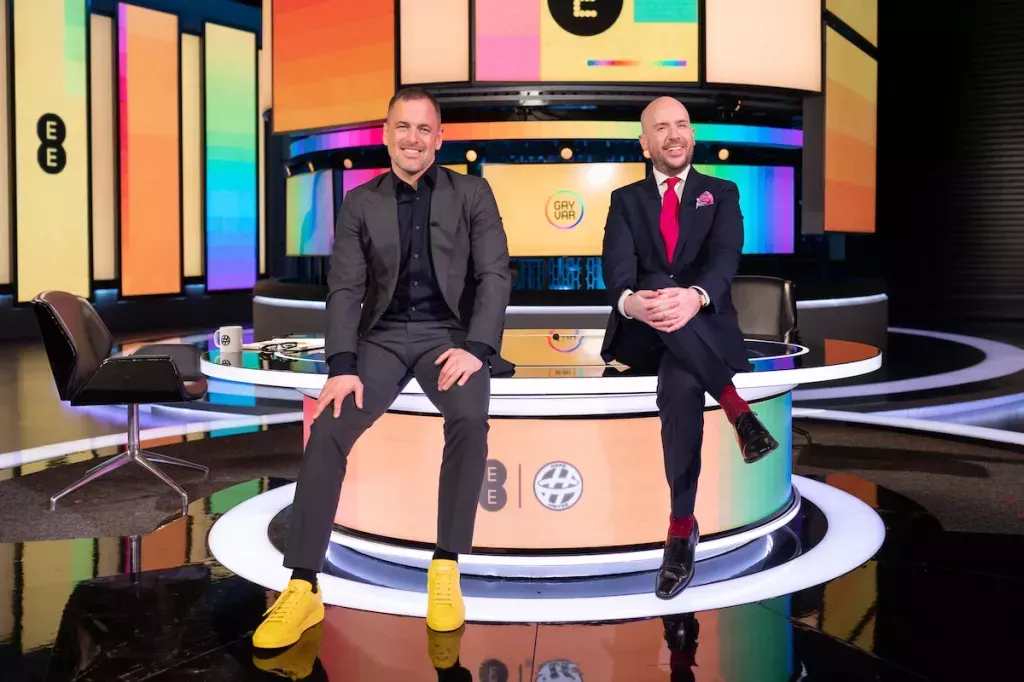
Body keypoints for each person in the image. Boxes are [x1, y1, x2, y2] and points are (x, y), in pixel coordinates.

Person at [253, 87, 511, 648]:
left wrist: (478, 348)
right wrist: (341, 364)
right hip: (383, 340)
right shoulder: (360, 202)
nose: (413, 138)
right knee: (328, 429)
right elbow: (345, 287)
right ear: (387, 134)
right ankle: (302, 586)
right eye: (403, 127)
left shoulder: (473, 193)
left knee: (469, 421)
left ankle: (445, 566)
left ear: (439, 138)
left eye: (424, 129)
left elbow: (494, 274)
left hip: (450, 339)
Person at [601, 96, 778, 599]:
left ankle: (681, 528)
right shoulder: (625, 200)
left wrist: (694, 297)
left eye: (681, 125)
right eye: (661, 128)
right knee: (654, 278)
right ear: (645, 143)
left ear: (692, 135)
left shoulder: (721, 192)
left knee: (680, 384)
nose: (673, 134)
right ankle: (736, 409)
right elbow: (616, 269)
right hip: (642, 333)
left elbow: (725, 260)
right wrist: (635, 303)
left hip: (701, 330)